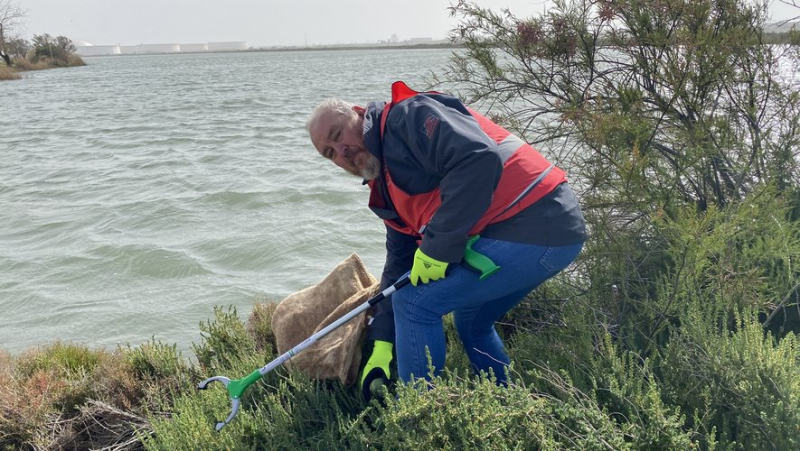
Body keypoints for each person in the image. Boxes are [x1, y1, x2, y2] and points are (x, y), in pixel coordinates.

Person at [306, 81, 586, 394]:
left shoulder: (406, 118)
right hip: (545, 233)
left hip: (541, 221)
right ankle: (508, 402)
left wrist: (438, 248)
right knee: (470, 322)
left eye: (338, 134)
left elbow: (478, 158)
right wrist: (381, 342)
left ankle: (418, 421)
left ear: (358, 114)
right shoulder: (386, 188)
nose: (341, 151)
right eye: (330, 153)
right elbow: (400, 260)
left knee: (414, 304)